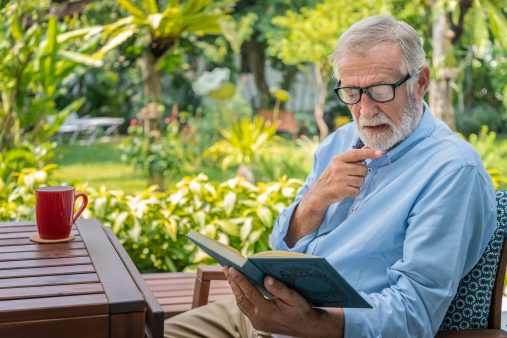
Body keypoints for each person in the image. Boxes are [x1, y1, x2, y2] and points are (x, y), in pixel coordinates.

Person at [165, 15, 496, 338]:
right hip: (269, 313)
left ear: (420, 82)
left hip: (328, 329)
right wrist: (315, 199)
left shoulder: (451, 171)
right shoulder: (337, 142)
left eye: (380, 90)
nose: (365, 111)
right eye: (351, 92)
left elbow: (414, 315)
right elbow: (281, 246)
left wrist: (307, 324)